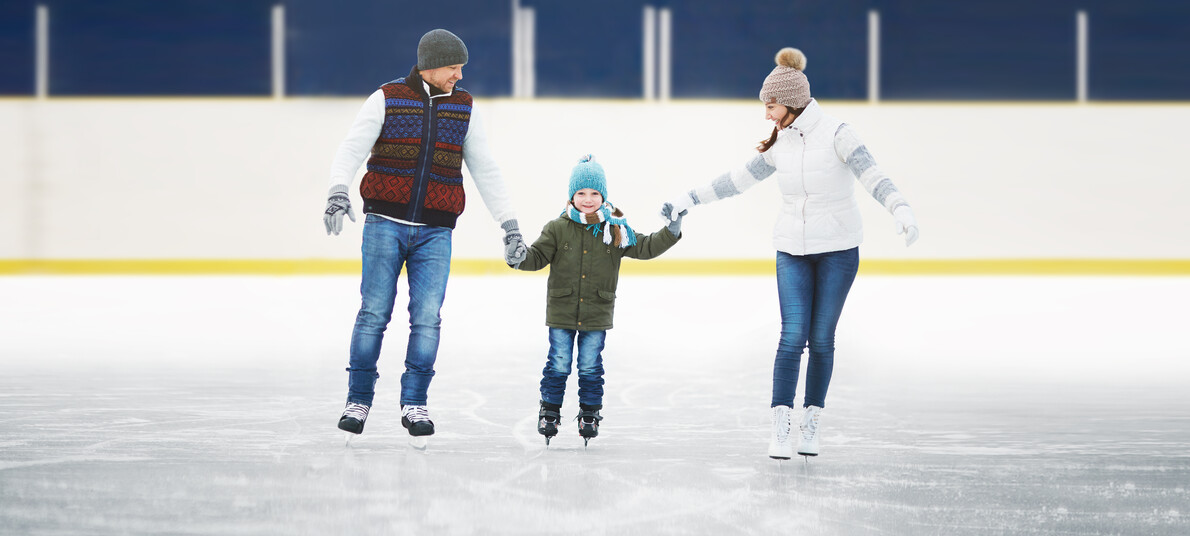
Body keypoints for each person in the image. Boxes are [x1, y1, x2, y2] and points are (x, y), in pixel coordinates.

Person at [662, 48, 919, 459]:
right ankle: (781, 424)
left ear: (793, 102)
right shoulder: (781, 142)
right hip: (792, 250)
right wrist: (689, 197)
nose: (766, 113)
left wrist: (900, 208)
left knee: (821, 340)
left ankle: (811, 421)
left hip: (838, 251)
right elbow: (737, 180)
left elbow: (873, 175)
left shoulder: (838, 133)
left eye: (771, 105)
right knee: (791, 336)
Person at [322, 29, 527, 443]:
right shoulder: (387, 97)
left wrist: (510, 225)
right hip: (385, 223)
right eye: (454, 68)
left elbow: (485, 169)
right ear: (432, 64)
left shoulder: (466, 109)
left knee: (427, 320)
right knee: (373, 314)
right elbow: (350, 149)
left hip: (436, 231)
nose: (459, 76)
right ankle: (357, 400)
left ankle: (414, 403)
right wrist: (338, 190)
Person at [513, 155, 684, 446]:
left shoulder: (615, 228)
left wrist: (672, 229)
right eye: (581, 193)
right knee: (559, 363)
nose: (588, 199)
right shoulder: (557, 227)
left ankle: (589, 412)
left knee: (591, 365)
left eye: (594, 193)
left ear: (603, 195)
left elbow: (645, 247)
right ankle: (550, 410)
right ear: (571, 195)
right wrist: (518, 257)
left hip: (597, 311)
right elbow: (537, 257)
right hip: (563, 309)